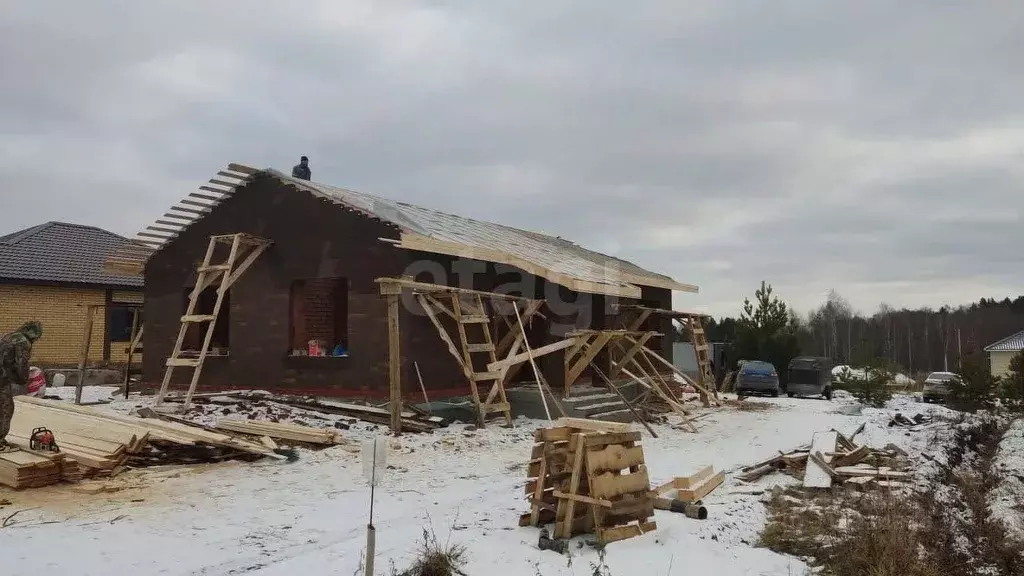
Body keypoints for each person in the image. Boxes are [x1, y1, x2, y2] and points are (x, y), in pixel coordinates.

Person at [0, 321, 42, 450]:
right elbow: (21, 364)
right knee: (5, 409)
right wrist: (23, 380)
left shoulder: (9, 336)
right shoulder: (23, 342)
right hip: (1, 379)